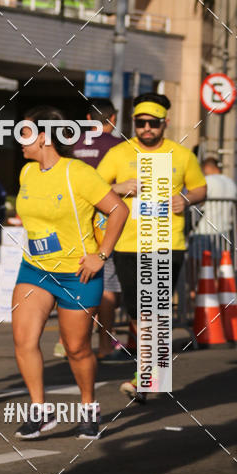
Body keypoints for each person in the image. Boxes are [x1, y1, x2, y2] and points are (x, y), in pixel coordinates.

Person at [12, 106, 128, 440]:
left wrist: (100, 255)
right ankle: (40, 411)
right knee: (24, 340)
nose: (20, 139)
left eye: (25, 132)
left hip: (77, 273)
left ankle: (89, 408)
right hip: (35, 269)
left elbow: (117, 210)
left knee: (77, 348)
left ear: (45, 136)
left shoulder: (77, 172)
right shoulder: (27, 173)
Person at [97, 92, 206, 403]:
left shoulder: (182, 155)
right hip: (128, 244)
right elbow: (92, 187)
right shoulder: (119, 153)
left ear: (165, 124)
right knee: (137, 310)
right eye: (140, 123)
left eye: (153, 123)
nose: (146, 128)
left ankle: (146, 375)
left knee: (153, 309)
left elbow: (200, 187)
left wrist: (185, 199)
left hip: (167, 243)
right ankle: (153, 369)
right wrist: (118, 187)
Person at [74, 100, 126, 361]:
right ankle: (105, 343)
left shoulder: (73, 145)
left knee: (76, 277)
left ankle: (68, 338)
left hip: (74, 219)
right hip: (105, 220)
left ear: (87, 117)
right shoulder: (119, 147)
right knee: (107, 283)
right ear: (113, 119)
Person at [190, 156, 237, 266]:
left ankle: (194, 284)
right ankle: (216, 283)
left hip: (204, 230)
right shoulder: (231, 182)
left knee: (195, 262)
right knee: (218, 263)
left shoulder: (207, 181)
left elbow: (196, 204)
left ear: (206, 168)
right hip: (224, 230)